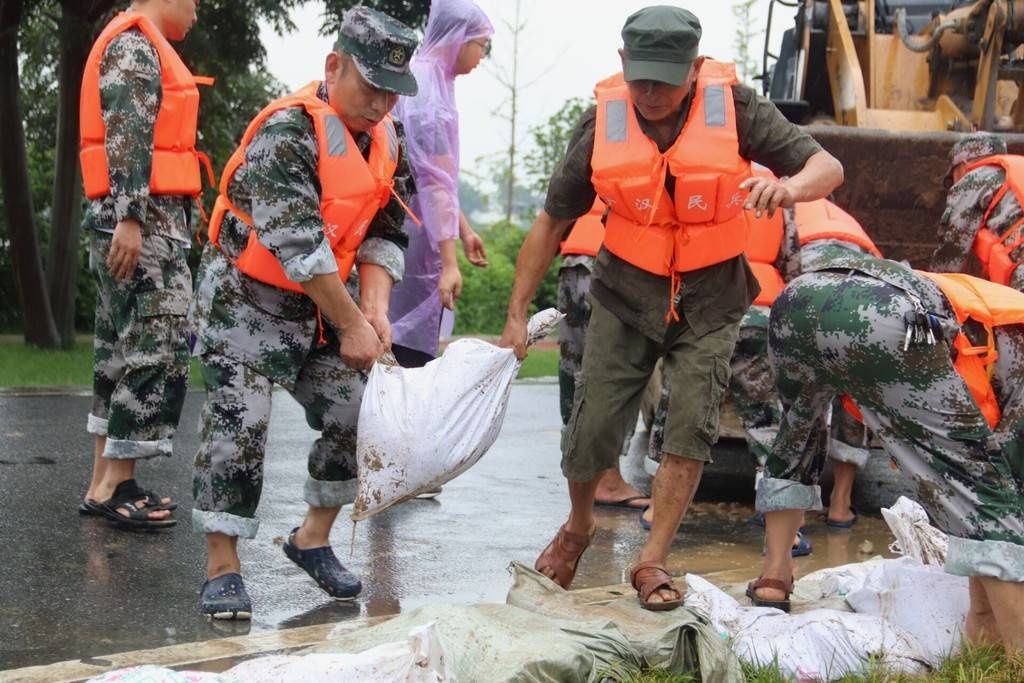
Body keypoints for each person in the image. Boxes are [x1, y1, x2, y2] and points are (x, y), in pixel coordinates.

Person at [498, 5, 843, 611]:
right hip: (625, 294)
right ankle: (578, 526)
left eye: (667, 77)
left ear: (695, 67)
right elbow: (553, 220)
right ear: (623, 63)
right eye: (641, 77)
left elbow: (827, 166)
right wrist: (515, 312)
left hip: (710, 299)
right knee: (592, 427)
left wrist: (788, 187)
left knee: (690, 426)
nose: (652, 92)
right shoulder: (601, 124)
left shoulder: (735, 107)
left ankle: (652, 559)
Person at [189, 6, 418, 619]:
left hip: (317, 308)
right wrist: (350, 322)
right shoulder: (287, 132)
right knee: (239, 428)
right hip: (245, 302)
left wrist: (374, 308)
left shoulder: (390, 139)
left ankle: (311, 538)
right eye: (371, 87)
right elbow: (301, 246)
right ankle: (222, 567)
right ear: (333, 65)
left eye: (393, 93)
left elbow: (387, 230)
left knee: (359, 409)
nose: (380, 104)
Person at [748, 247, 1024, 654]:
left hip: (799, 300)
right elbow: (995, 483)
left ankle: (774, 577)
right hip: (889, 317)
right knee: (989, 495)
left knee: (796, 437)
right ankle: (1012, 651)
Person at [643, 195, 878, 539]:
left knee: (677, 407)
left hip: (707, 313)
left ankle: (655, 507)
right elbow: (791, 266)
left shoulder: (700, 189)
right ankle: (809, 514)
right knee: (767, 421)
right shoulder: (790, 204)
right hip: (769, 310)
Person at [78, 0, 205, 530]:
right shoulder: (135, 46)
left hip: (129, 222)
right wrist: (133, 217)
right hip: (140, 226)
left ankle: (101, 482)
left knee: (120, 352)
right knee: (161, 341)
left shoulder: (133, 42)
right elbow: (128, 135)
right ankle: (117, 484)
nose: (197, 10)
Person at [388, 0, 492, 370]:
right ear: (460, 39)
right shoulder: (427, 94)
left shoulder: (434, 81)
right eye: (482, 44)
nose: (482, 55)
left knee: (406, 341)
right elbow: (430, 183)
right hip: (413, 237)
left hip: (420, 229)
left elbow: (437, 176)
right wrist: (450, 263)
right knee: (404, 352)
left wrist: (463, 230)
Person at [559, 200, 649, 510]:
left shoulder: (603, 152)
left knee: (575, 367)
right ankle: (608, 479)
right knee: (621, 368)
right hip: (619, 264)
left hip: (575, 265)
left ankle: (581, 473)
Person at [931, 132, 1024, 292]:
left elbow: (951, 254)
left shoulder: (974, 178)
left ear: (963, 165)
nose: (954, 183)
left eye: (952, 177)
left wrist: (930, 293)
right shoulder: (1014, 174)